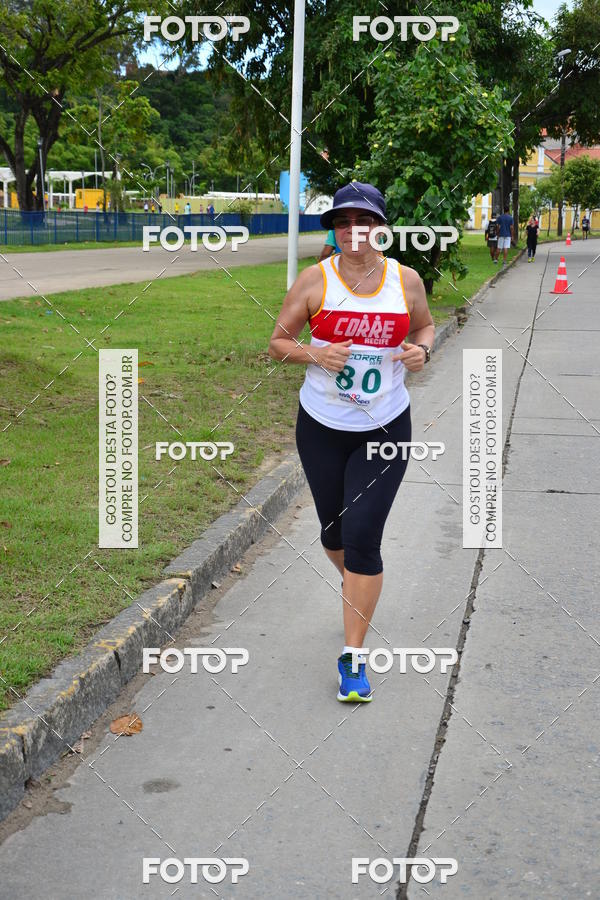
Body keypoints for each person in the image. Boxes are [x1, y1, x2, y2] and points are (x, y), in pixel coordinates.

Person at [268, 182, 434, 703]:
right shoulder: (314, 281)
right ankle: (357, 586)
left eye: (363, 222)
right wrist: (314, 355)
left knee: (362, 536)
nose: (352, 231)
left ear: (379, 227)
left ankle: (353, 658)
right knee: (334, 535)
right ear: (335, 230)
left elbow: (426, 329)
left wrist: (421, 353)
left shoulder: (405, 282)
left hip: (385, 426)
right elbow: (277, 343)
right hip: (321, 425)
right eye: (342, 222)